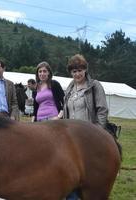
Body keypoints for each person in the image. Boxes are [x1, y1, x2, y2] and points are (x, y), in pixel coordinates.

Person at [63, 54, 108, 200]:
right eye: (74, 71)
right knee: (70, 174)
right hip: (71, 139)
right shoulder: (69, 89)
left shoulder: (94, 86)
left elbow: (102, 110)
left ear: (85, 70)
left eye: (80, 70)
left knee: (88, 175)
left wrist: (98, 133)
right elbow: (66, 112)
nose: (77, 74)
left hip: (89, 137)